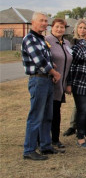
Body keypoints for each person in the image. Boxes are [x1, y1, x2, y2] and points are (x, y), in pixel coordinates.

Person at [22, 12, 63, 160]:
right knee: (36, 116)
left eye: (46, 21)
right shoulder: (30, 39)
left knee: (47, 116)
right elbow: (39, 61)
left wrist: (52, 66)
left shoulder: (42, 39)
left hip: (46, 80)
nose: (45, 23)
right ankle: (29, 150)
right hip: (38, 81)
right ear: (33, 22)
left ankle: (46, 146)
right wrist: (55, 72)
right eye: (41, 21)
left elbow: (46, 58)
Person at [45, 18, 73, 150]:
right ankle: (44, 139)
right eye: (57, 27)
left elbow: (70, 63)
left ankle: (55, 139)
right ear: (52, 27)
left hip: (61, 84)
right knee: (47, 113)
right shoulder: (47, 41)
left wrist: (68, 83)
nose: (59, 29)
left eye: (62, 27)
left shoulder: (66, 43)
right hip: (50, 82)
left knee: (56, 113)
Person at [64, 19, 86, 137]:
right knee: (78, 104)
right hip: (76, 76)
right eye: (80, 28)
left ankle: (84, 128)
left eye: (85, 28)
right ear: (76, 29)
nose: (83, 30)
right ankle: (72, 126)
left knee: (85, 106)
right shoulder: (72, 42)